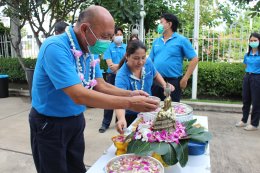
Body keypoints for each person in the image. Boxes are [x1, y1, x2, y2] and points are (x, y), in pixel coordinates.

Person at [29, 6, 158, 173]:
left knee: (76, 168)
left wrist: (131, 93)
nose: (108, 42)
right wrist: (129, 103)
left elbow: (100, 84)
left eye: (111, 37)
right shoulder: (55, 47)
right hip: (49, 123)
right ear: (84, 29)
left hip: (75, 120)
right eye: (105, 36)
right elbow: (78, 94)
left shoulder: (89, 48)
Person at [115, 40, 174, 134]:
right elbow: (119, 101)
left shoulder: (148, 63)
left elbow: (155, 74)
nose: (141, 62)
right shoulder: (122, 76)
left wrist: (164, 85)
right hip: (130, 116)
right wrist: (121, 118)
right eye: (136, 58)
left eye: (143, 57)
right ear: (127, 56)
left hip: (148, 113)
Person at [149, 13, 199, 102]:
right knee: (154, 108)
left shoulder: (181, 40)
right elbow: (150, 60)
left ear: (169, 24)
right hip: (156, 81)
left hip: (172, 81)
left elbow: (194, 59)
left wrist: (185, 79)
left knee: (172, 109)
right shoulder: (156, 41)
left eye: (161, 22)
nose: (159, 25)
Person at [99, 27, 127, 133]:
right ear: (113, 36)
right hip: (112, 77)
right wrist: (119, 67)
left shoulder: (127, 47)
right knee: (109, 100)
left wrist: (117, 67)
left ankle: (120, 122)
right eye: (117, 34)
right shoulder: (109, 47)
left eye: (120, 34)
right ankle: (105, 123)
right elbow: (110, 64)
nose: (119, 36)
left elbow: (128, 63)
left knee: (122, 99)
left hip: (124, 77)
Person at [235, 32, 260, 131]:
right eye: (251, 40)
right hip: (247, 77)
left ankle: (254, 124)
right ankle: (244, 120)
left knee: (256, 102)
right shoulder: (247, 55)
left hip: (257, 78)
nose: (253, 42)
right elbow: (246, 66)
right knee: (246, 100)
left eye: (255, 40)